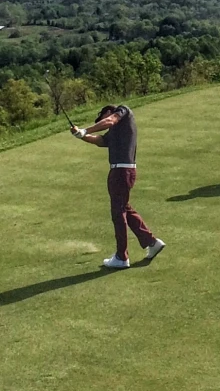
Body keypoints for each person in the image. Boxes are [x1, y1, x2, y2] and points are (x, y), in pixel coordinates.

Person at [70, 104, 166, 269]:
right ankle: (151, 242)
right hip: (121, 171)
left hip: (122, 171)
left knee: (118, 212)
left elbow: (110, 121)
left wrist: (87, 129)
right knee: (124, 208)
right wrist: (81, 135)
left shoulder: (123, 112)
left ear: (108, 111)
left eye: (102, 117)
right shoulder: (115, 132)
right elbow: (100, 141)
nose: (103, 121)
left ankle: (122, 257)